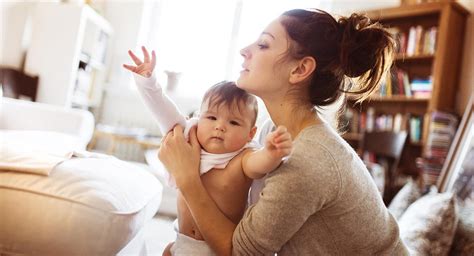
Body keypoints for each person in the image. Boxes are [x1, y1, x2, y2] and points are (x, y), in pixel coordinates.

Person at [158, 8, 410, 256]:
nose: (244, 51)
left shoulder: (307, 158)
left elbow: (239, 252)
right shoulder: (274, 132)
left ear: (299, 70)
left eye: (264, 45)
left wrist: (187, 178)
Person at [123, 47, 293, 255]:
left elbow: (259, 166)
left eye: (233, 122)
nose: (220, 126)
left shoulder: (242, 157)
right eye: (211, 118)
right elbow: (162, 111)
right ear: (199, 116)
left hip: (213, 248)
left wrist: (272, 152)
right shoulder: (191, 135)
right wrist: (148, 82)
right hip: (181, 241)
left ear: (251, 133)